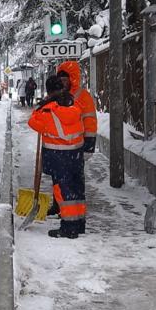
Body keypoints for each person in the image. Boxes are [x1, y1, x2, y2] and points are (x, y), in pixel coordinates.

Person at [27, 75, 86, 238]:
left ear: (48, 89)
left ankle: (69, 227)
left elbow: (32, 122)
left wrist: (41, 105)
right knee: (76, 188)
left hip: (58, 155)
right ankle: (79, 222)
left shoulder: (48, 109)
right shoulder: (74, 103)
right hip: (76, 153)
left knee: (63, 191)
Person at [56, 60, 97, 153]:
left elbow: (90, 122)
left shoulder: (83, 96)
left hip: (75, 148)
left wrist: (89, 146)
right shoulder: (56, 95)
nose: (62, 83)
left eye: (64, 80)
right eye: (60, 80)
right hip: (56, 148)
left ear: (72, 79)